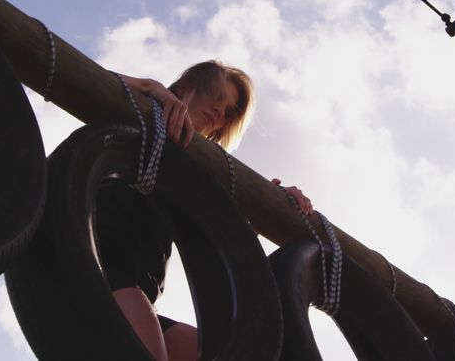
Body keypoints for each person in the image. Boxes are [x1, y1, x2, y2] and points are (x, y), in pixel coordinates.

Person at [104, 60, 311, 361]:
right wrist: (151, 87)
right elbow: (83, 76)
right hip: (99, 266)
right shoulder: (145, 111)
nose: (219, 112)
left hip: (142, 290)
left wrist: (275, 201)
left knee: (215, 354)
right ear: (187, 88)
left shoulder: (195, 173)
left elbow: (221, 230)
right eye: (216, 97)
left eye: (228, 112)